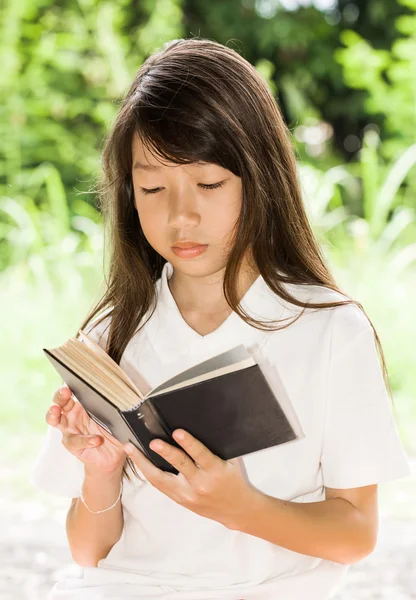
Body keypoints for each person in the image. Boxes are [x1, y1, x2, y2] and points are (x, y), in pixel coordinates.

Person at [29, 37, 411, 600]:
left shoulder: (330, 329)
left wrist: (241, 508)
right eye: (152, 187)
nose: (182, 215)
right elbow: (88, 552)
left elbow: (354, 534)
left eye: (209, 184)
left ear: (260, 180)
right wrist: (101, 470)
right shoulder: (113, 331)